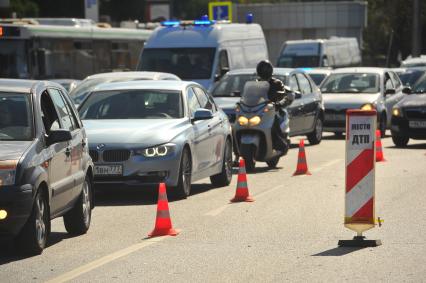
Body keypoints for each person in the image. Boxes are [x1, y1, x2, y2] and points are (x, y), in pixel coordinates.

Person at [256, 60, 293, 153]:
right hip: (258, 110)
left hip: (273, 109)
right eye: (262, 69)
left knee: (273, 120)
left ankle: (279, 142)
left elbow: (284, 95)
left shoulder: (277, 83)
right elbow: (249, 95)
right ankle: (237, 151)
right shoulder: (256, 83)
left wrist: (279, 103)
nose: (264, 71)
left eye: (266, 69)